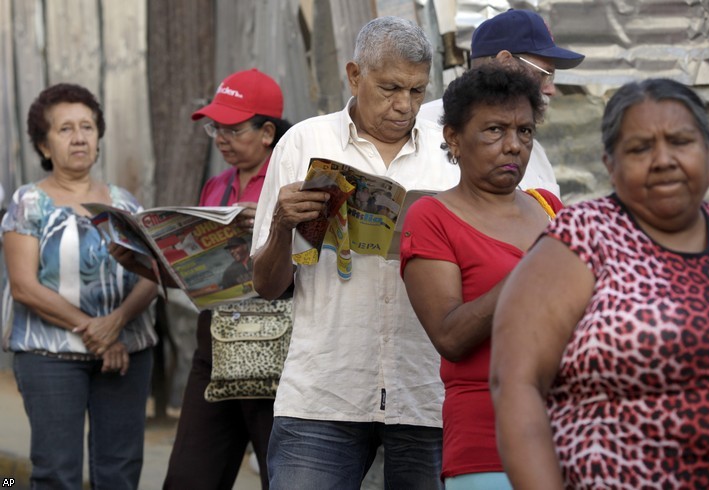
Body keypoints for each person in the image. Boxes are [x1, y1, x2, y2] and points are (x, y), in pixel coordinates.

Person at [251, 16, 461, 490]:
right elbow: (266, 286)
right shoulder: (304, 143)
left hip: (424, 391)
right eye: (389, 88)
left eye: (416, 90)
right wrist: (283, 227)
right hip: (323, 393)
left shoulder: (450, 156)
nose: (404, 106)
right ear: (353, 75)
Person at [490, 78, 709, 489]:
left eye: (681, 141)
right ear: (609, 164)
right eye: (640, 148)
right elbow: (515, 382)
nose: (664, 159)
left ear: (707, 149)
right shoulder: (583, 236)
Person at [110, 68, 292, 490]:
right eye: (215, 128)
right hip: (215, 344)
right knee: (190, 476)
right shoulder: (217, 185)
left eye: (232, 128)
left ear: (268, 132)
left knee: (281, 475)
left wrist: (271, 224)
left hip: (275, 345)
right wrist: (141, 263)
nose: (221, 138)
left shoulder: (290, 183)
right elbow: (199, 278)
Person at [400, 65, 563, 490]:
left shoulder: (549, 209)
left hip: (571, 436)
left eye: (524, 132)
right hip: (488, 443)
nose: (513, 146)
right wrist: (531, 270)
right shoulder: (432, 217)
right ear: (453, 137)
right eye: (494, 130)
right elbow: (450, 337)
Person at [0, 83, 158, 489]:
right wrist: (98, 333)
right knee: (57, 473)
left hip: (128, 352)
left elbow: (153, 275)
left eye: (87, 127)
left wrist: (118, 322)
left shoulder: (125, 204)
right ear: (44, 144)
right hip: (50, 354)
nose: (79, 137)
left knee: (120, 472)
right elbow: (24, 286)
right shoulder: (28, 203)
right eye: (65, 128)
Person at [418, 8, 586, 196]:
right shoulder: (421, 130)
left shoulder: (535, 152)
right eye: (544, 74)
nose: (551, 89)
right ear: (506, 62)